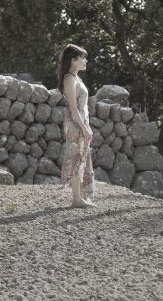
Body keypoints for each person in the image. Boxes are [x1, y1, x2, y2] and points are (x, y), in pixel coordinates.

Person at [58, 44, 97, 208]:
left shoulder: (76, 78)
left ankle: (81, 196)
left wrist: (86, 126)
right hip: (75, 123)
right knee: (75, 158)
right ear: (73, 60)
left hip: (80, 122)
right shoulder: (69, 79)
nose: (85, 60)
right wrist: (84, 128)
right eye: (82, 57)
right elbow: (73, 108)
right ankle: (76, 199)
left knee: (82, 157)